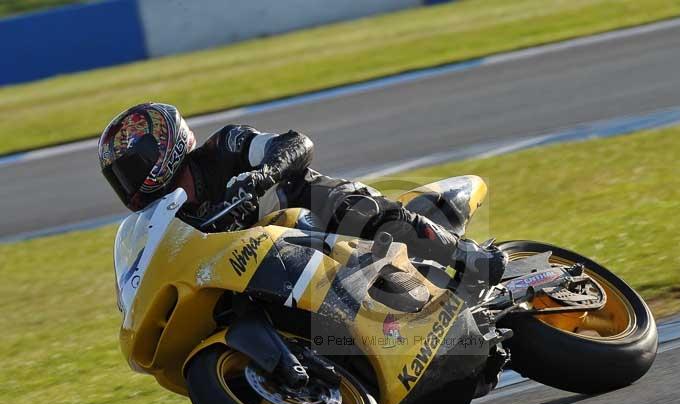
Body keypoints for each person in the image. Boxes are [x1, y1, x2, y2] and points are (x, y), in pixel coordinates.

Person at [98, 102, 506, 285]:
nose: (129, 183)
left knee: (344, 204)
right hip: (270, 263)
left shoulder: (224, 147)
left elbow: (295, 143)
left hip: (310, 211)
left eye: (131, 168)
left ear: (163, 147)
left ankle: (466, 254)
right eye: (120, 177)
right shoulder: (169, 218)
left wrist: (262, 175)